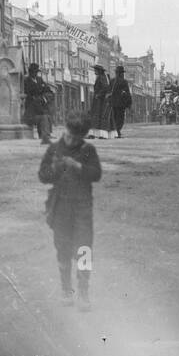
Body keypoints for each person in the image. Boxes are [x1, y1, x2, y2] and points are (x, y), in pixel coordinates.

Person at [39, 111, 102, 312]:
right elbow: (43, 176)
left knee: (84, 250)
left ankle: (83, 292)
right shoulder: (54, 149)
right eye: (68, 134)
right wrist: (55, 168)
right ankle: (67, 290)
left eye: (75, 138)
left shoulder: (88, 150)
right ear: (65, 129)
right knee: (63, 248)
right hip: (61, 207)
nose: (70, 139)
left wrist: (77, 166)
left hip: (82, 207)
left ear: (82, 137)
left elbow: (96, 174)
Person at [23, 63, 53, 144]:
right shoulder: (26, 81)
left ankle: (45, 134)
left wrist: (44, 96)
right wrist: (40, 93)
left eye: (36, 72)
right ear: (30, 72)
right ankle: (45, 136)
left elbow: (47, 88)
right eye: (33, 72)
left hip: (39, 102)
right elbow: (29, 93)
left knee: (46, 114)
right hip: (32, 105)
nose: (35, 73)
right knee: (43, 116)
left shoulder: (39, 79)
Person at [109, 65, 132, 138]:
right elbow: (127, 93)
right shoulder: (124, 82)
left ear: (116, 73)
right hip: (121, 104)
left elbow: (108, 91)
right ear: (121, 73)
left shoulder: (112, 81)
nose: (123, 74)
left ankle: (115, 131)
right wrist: (129, 103)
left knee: (114, 117)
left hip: (113, 103)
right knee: (120, 118)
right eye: (122, 73)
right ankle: (118, 131)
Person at [88, 65, 111, 139]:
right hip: (99, 100)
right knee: (96, 116)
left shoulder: (101, 78)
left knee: (97, 115)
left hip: (100, 101)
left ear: (99, 71)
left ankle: (99, 134)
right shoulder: (101, 77)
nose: (94, 71)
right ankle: (96, 134)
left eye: (95, 70)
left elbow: (106, 88)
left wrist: (99, 95)